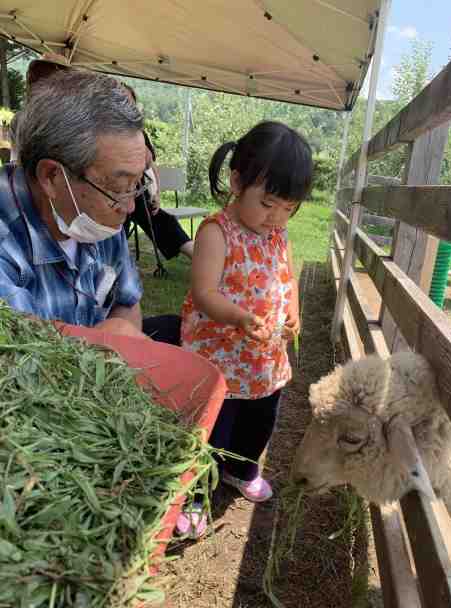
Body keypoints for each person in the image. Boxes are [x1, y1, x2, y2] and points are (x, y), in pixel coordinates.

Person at [176, 121, 313, 536]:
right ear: (237, 181)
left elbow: (286, 278)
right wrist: (238, 316)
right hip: (219, 355)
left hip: (263, 358)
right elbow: (204, 293)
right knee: (212, 426)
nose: (276, 218)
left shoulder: (277, 234)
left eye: (288, 208)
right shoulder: (218, 232)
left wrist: (293, 310)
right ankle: (195, 493)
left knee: (260, 419)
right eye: (268, 203)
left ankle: (241, 468)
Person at [0, 68, 180, 345]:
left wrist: (120, 333)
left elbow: (127, 303)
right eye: (119, 187)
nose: (130, 205)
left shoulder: (101, 213)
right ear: (52, 176)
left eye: (136, 184)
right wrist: (99, 343)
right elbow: (20, 358)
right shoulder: (6, 239)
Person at [122, 84, 194, 267]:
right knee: (116, 227)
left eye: (129, 102)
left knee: (163, 220)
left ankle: (203, 260)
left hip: (138, 196)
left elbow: (151, 166)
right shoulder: (96, 131)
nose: (124, 106)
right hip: (113, 198)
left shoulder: (139, 133)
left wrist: (156, 194)